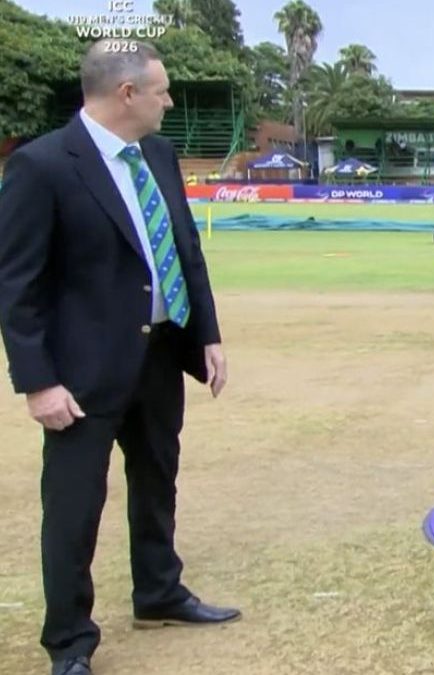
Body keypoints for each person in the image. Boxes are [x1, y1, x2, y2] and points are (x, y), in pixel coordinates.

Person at [0, 40, 239, 675]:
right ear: (126, 94)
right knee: (75, 507)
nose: (169, 101)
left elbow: (185, 249)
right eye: (161, 90)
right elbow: (17, 285)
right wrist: (37, 382)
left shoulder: (157, 154)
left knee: (158, 480)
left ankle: (158, 592)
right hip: (81, 373)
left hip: (160, 355)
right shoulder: (43, 166)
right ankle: (70, 641)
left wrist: (207, 336)